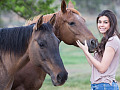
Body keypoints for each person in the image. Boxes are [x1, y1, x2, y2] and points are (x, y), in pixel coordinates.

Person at [76, 10, 120, 90]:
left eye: (105, 22)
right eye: (99, 22)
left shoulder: (112, 40)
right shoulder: (106, 40)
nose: (101, 25)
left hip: (105, 86)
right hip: (98, 86)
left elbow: (102, 69)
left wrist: (87, 52)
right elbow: (94, 66)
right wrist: (85, 51)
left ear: (112, 24)